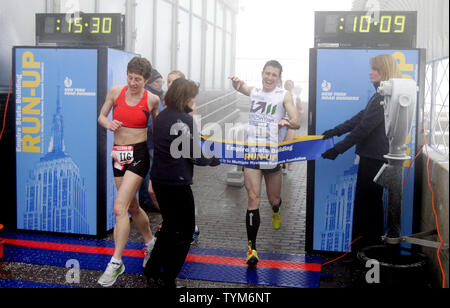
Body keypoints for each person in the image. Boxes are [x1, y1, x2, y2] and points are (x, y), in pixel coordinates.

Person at [321, 54, 402, 252]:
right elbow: (360, 118)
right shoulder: (380, 95)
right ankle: (366, 249)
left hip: (374, 160)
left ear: (383, 70)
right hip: (371, 158)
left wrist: (337, 149)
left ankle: (368, 250)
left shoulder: (384, 97)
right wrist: (336, 131)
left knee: (369, 206)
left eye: (373, 68)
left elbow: (363, 128)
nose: (369, 71)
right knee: (368, 205)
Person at [144, 78, 220, 288]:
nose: (193, 101)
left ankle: (151, 269)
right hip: (177, 184)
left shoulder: (160, 117)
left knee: (168, 227)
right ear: (184, 98)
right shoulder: (184, 121)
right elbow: (195, 155)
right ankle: (168, 278)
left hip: (159, 180)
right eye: (191, 97)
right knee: (185, 232)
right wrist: (214, 159)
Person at [229, 60, 300, 266]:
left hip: (271, 154)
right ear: (262, 74)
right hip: (251, 152)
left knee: (273, 198)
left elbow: (296, 120)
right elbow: (241, 87)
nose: (269, 78)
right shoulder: (256, 91)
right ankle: (252, 248)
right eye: (267, 73)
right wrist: (236, 83)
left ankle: (276, 210)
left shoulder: (283, 95)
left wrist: (287, 122)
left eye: (274, 75)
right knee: (253, 198)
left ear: (279, 78)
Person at [97, 56, 160, 287]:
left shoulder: (152, 99)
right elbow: (101, 116)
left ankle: (116, 262)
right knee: (132, 207)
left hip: (139, 155)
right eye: (130, 78)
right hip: (118, 154)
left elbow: (159, 128)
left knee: (119, 207)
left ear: (146, 79)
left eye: (138, 79)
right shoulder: (115, 91)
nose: (133, 83)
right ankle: (151, 243)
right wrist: (108, 124)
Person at [138, 69, 165, 212]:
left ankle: (147, 199)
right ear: (150, 82)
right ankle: (148, 200)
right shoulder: (151, 97)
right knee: (150, 171)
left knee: (149, 170)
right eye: (158, 82)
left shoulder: (155, 96)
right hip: (151, 141)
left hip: (151, 141)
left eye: (162, 82)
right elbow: (150, 122)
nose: (160, 85)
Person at [283, 80, 304, 171]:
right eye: (287, 84)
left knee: (289, 143)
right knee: (282, 143)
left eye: (290, 84)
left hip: (292, 123)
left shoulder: (296, 98)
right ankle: (282, 165)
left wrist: (298, 114)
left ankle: (289, 163)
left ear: (293, 86)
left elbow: (301, 109)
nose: (289, 86)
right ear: (285, 86)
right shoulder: (281, 96)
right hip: (283, 122)